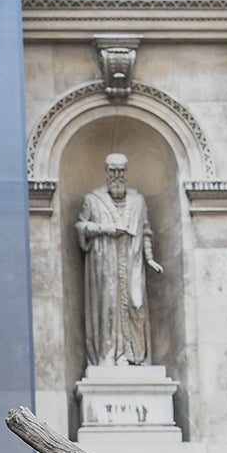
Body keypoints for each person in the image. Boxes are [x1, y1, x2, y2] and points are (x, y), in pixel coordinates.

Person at [76, 153, 162, 369]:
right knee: (109, 309)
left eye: (120, 171)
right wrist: (106, 229)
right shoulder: (92, 200)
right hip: (104, 264)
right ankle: (112, 357)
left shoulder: (137, 200)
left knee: (136, 303)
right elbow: (81, 226)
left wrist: (150, 258)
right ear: (106, 172)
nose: (116, 176)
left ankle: (137, 356)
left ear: (126, 172)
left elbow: (146, 230)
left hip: (133, 262)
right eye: (112, 171)